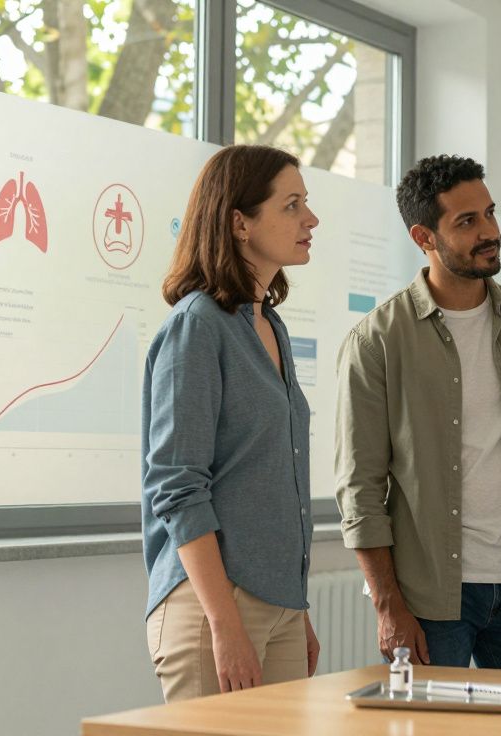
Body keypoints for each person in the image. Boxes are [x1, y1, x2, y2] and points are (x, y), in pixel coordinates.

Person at [335, 155, 501, 672]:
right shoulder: (377, 341)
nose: (490, 232)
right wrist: (387, 606)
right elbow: (360, 488)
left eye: (490, 214)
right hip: (429, 600)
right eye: (467, 222)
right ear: (423, 237)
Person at [141, 145, 320, 701]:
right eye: (292, 205)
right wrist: (225, 623)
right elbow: (176, 485)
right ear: (239, 222)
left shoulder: (270, 326)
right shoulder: (197, 327)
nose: (310, 220)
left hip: (279, 607)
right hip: (212, 608)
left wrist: (294, 608)